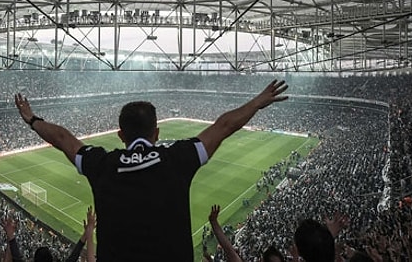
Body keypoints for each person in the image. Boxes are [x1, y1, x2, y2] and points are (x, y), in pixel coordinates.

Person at [15, 80, 288, 262]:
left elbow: (63, 138)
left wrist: (32, 119)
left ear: (121, 135)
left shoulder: (103, 164)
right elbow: (224, 125)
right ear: (157, 133)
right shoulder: (178, 158)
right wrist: (255, 102)